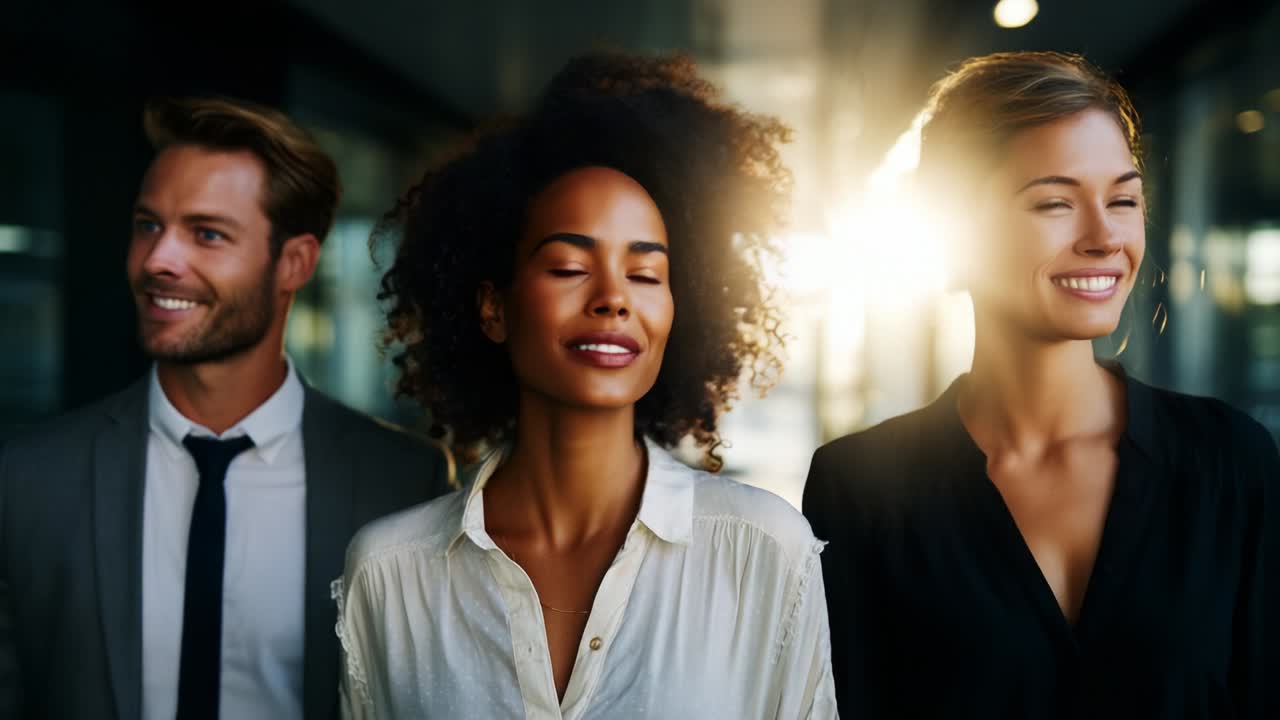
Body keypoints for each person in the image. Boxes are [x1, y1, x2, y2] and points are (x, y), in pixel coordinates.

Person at [335, 51, 838, 719]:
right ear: (493, 308)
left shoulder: (763, 551)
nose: (612, 298)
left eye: (646, 273)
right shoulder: (390, 572)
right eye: (570, 267)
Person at [804, 51, 1276, 719]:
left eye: (1123, 199)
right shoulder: (858, 487)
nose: (1105, 235)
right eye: (1055, 202)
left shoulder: (1230, 463)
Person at [0, 97, 452, 720]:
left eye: (207, 234)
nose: (159, 259)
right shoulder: (27, 478)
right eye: (147, 225)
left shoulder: (402, 482)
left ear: (294, 263)